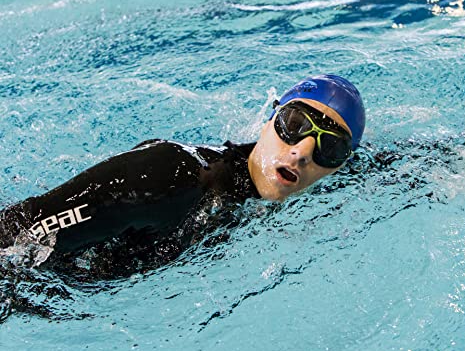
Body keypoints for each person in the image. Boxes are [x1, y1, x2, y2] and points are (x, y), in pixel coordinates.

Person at [0, 74, 365, 278]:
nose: (301, 152)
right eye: (294, 124)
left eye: (328, 148)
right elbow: (18, 227)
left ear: (337, 166)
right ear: (269, 119)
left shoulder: (306, 188)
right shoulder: (168, 178)